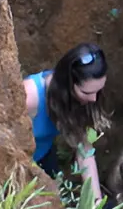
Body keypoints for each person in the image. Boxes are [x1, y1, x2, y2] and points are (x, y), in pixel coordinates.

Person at [24, 43, 111, 199]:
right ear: (68, 84)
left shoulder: (81, 101)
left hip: (44, 154)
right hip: (22, 161)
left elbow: (84, 149)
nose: (94, 98)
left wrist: (95, 201)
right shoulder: (30, 98)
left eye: (98, 91)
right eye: (87, 92)